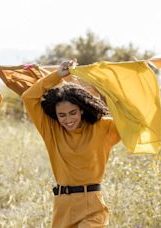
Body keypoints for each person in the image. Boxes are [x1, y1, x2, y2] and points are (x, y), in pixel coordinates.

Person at [21, 60, 121, 227]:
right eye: (62, 115)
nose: (68, 120)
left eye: (73, 113)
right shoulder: (51, 130)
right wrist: (57, 75)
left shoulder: (103, 127)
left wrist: (106, 85)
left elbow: (131, 118)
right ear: (56, 115)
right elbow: (28, 98)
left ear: (81, 109)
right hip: (63, 208)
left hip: (92, 207)